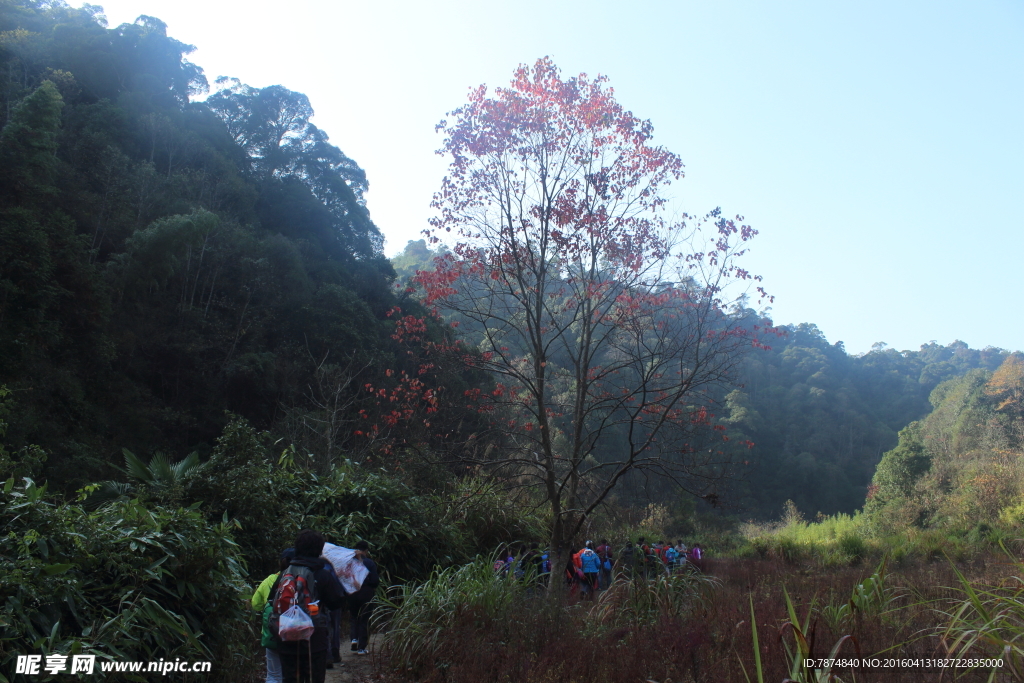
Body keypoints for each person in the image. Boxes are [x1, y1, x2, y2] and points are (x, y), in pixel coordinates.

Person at [274, 530, 347, 683]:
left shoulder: (285, 574)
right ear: (319, 550)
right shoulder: (322, 574)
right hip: (314, 640)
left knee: (290, 679)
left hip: (286, 638)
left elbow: (271, 601)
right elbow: (336, 603)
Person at [252, 549, 295, 683]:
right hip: (294, 634)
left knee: (273, 675)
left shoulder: (270, 580)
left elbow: (256, 604)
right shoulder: (300, 579)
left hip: (272, 633)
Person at [348, 540, 380, 656]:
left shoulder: (349, 563)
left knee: (353, 617)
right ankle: (362, 648)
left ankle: (354, 639)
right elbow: (375, 581)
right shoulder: (369, 563)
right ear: (366, 551)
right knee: (364, 619)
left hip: (352, 592)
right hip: (365, 592)